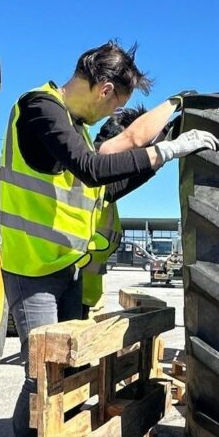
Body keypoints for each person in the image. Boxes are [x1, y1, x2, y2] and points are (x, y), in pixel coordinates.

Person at [0, 41, 217, 437]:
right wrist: (169, 148)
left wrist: (162, 154)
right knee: (41, 381)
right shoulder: (40, 110)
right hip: (31, 269)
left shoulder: (73, 127)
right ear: (103, 89)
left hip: (66, 269)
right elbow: (94, 168)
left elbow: (105, 184)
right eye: (116, 104)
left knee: (69, 378)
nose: (112, 115)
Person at [80, 105, 148, 318]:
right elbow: (137, 171)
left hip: (86, 297)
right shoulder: (92, 178)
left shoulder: (101, 182)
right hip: (67, 292)